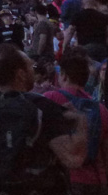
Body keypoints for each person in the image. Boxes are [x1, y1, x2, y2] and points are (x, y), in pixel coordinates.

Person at [0, 44, 89, 194]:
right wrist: (80, 121)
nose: (33, 70)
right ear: (20, 74)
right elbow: (73, 159)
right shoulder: (43, 106)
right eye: (31, 66)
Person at [43, 48, 108, 195]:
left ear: (63, 76)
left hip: (63, 179)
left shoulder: (49, 99)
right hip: (96, 180)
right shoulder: (100, 109)